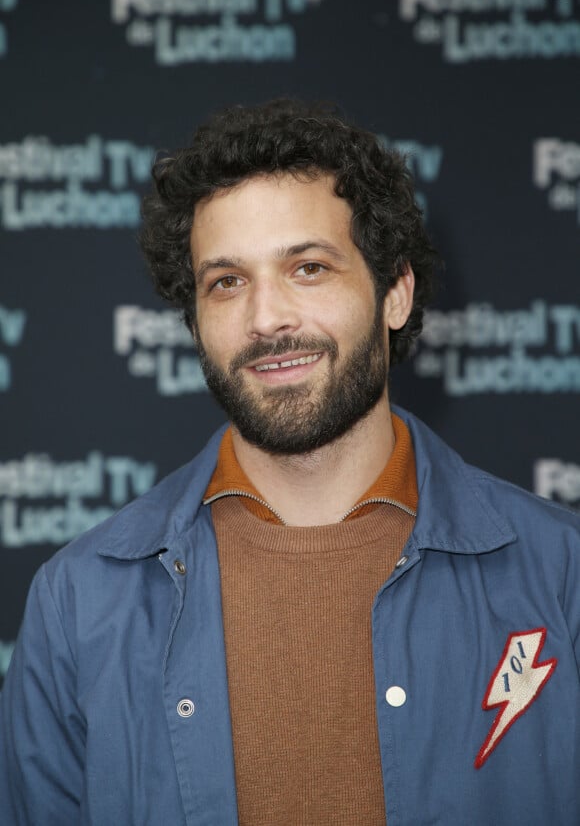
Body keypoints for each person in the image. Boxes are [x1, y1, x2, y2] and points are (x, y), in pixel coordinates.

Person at [1, 99, 579, 826]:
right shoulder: (79, 603)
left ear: (394, 292)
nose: (266, 319)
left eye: (308, 267)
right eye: (227, 282)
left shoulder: (560, 574)